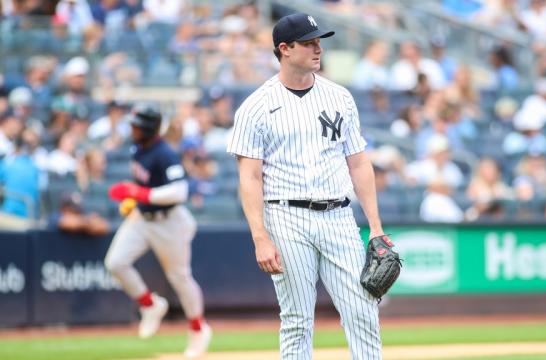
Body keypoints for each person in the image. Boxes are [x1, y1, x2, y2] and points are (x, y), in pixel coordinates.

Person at [227, 12, 384, 359]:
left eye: (319, 42)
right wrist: (259, 237)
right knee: (298, 319)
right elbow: (249, 177)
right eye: (309, 43)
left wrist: (375, 227)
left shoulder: (339, 97)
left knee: (363, 311)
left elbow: (358, 162)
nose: (318, 49)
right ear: (284, 48)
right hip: (286, 216)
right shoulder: (256, 106)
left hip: (339, 216)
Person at [104, 103, 210, 358]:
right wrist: (135, 199)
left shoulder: (165, 153)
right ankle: (150, 305)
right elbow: (147, 183)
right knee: (116, 263)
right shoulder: (138, 148)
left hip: (170, 221)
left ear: (148, 128)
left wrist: (137, 193)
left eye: (136, 125)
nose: (132, 129)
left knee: (180, 278)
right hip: (143, 217)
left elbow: (179, 191)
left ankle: (198, 328)